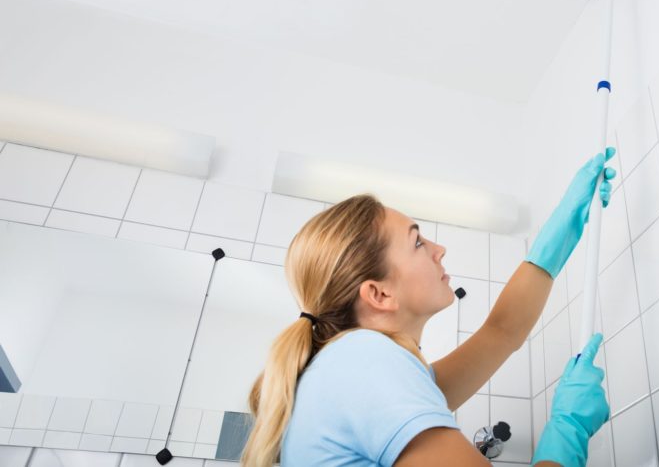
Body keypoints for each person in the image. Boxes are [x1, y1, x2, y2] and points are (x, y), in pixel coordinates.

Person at [240, 148, 618, 467]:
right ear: (380, 294)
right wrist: (569, 428)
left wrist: (564, 226)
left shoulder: (351, 368)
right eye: (417, 242)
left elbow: (501, 332)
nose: (439, 250)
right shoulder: (364, 362)